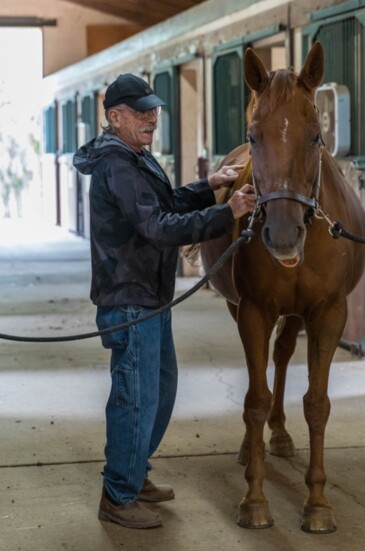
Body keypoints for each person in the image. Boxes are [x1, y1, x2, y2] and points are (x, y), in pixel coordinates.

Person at [73, 73, 256, 530]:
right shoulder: (117, 164)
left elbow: (166, 201)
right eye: (141, 112)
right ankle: (118, 495)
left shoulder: (135, 157)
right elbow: (158, 227)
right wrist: (227, 212)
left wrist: (210, 184)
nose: (152, 118)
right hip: (130, 297)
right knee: (135, 399)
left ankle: (135, 473)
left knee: (160, 390)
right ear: (115, 117)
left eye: (153, 110)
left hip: (150, 296)